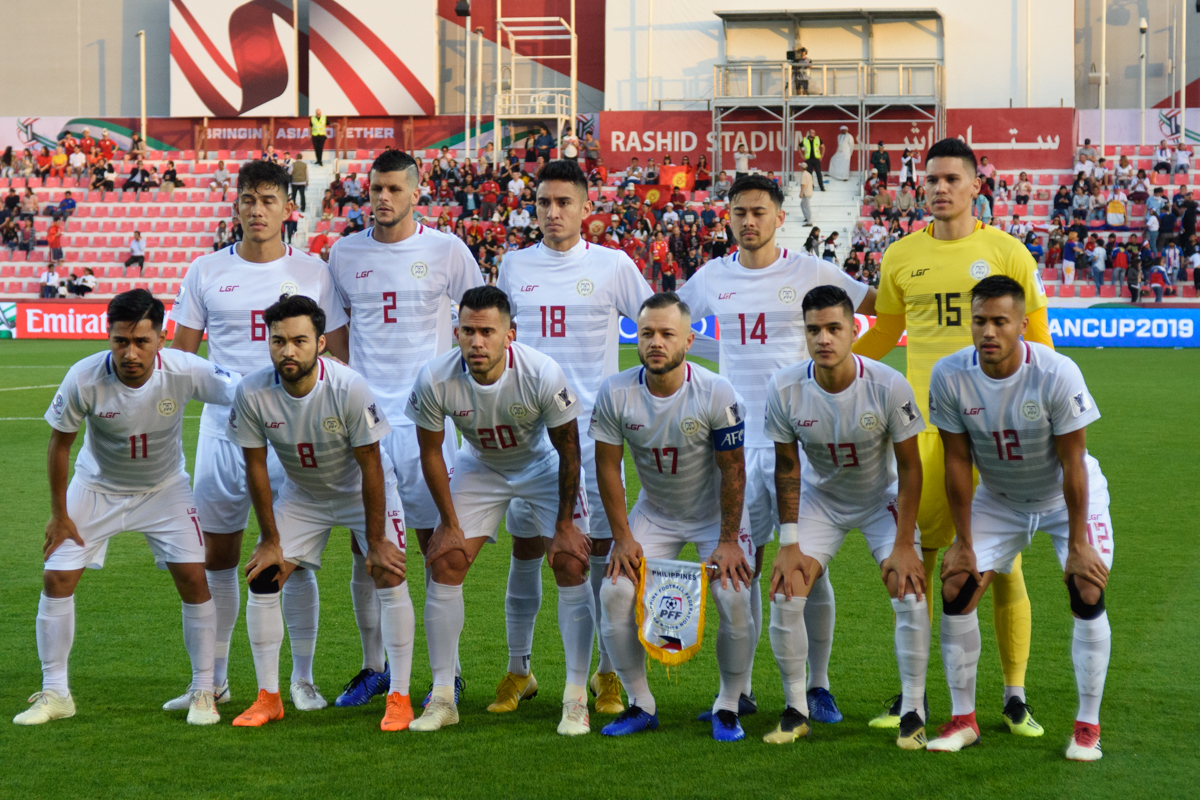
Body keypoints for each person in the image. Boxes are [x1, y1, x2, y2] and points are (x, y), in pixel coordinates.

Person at [853, 138, 1054, 735]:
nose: (939, 188)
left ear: (975, 186)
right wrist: (827, 365)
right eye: (931, 179)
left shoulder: (1007, 252)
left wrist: (1040, 415)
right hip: (923, 430)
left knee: (1002, 563)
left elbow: (1039, 343)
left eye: (950, 179)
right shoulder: (900, 256)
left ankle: (1013, 694)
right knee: (916, 557)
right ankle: (912, 695)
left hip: (998, 431)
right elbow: (886, 333)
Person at [679, 174, 877, 725]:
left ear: (779, 217)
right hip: (736, 445)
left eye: (759, 212)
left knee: (810, 567)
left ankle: (818, 685)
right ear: (728, 218)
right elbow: (669, 321)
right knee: (740, 567)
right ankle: (736, 692)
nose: (749, 221)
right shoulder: (712, 277)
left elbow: (875, 303)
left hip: (800, 442)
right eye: (739, 212)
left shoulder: (810, 270)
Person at [164, 159, 349, 714]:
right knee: (217, 558)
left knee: (292, 559)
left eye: (268, 199)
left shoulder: (315, 272)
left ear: (287, 208)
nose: (257, 209)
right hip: (224, 434)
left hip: (295, 441)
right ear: (237, 204)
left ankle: (302, 680)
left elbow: (336, 355)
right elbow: (180, 357)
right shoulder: (204, 270)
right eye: (248, 199)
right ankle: (213, 680)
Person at [13, 290, 237, 727]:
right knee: (57, 575)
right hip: (96, 488)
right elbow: (60, 444)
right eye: (120, 341)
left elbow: (245, 392)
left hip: (165, 489)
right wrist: (59, 514)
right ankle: (56, 693)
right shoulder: (84, 376)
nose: (130, 353)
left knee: (195, 577)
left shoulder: (187, 369)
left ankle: (204, 691)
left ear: (161, 337)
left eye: (141, 341)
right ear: (108, 336)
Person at [923, 276, 1113, 762]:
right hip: (1001, 498)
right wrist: (963, 541)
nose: (988, 331)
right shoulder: (949, 375)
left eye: (1000, 321)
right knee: (957, 585)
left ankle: (1087, 726)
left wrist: (1077, 544)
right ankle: (963, 719)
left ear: (1022, 325)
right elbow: (958, 463)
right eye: (980, 320)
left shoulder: (1056, 373)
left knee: (1086, 587)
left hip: (1064, 497)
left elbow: (1073, 465)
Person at [494, 159, 654, 717]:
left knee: (604, 553)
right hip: (528, 437)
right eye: (544, 203)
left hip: (591, 438)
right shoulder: (512, 266)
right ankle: (520, 670)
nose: (553, 212)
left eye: (564, 202)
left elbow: (656, 323)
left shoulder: (613, 266)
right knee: (528, 550)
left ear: (587, 209)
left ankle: (608, 675)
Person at [324, 150, 483, 708]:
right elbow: (336, 332)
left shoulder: (447, 251)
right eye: (375, 189)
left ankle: (448, 670)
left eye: (394, 189)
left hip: (427, 421)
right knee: (365, 542)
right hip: (367, 422)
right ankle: (373, 666)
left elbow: (479, 322)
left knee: (436, 543)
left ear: (417, 192)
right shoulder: (343, 253)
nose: (382, 198)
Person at [405, 286, 594, 735]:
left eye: (487, 331)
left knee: (570, 563)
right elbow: (432, 452)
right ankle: (443, 697)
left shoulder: (542, 373)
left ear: (510, 334)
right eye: (468, 331)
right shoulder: (435, 378)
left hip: (542, 466)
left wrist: (565, 525)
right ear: (456, 332)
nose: (476, 341)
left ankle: (575, 697)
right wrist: (449, 525)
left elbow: (569, 451)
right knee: (445, 562)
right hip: (481, 466)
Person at [226, 294, 413, 731]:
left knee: (388, 573)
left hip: (361, 491)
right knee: (263, 576)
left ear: (321, 343)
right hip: (303, 495)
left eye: (299, 341)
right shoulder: (253, 391)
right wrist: (270, 540)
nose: (288, 351)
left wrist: (378, 540)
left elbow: (371, 464)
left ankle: (399, 695)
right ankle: (269, 697)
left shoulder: (349, 387)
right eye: (278, 341)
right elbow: (255, 467)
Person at [763, 284, 928, 748]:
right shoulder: (785, 387)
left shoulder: (888, 384)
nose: (824, 339)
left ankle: (913, 711)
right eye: (814, 330)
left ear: (855, 330)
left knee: (909, 591)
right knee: (786, 592)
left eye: (834, 328)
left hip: (881, 499)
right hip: (822, 500)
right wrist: (789, 541)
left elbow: (912, 467)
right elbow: (788, 466)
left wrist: (902, 544)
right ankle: (796, 709)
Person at [591, 293, 754, 740]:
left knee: (735, 595)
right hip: (656, 512)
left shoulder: (716, 391)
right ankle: (642, 703)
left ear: (689, 339)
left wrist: (727, 540)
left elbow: (733, 470)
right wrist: (622, 537)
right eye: (647, 333)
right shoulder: (616, 391)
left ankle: (728, 703)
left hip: (715, 514)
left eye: (667, 334)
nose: (656, 342)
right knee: (614, 594)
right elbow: (607, 465)